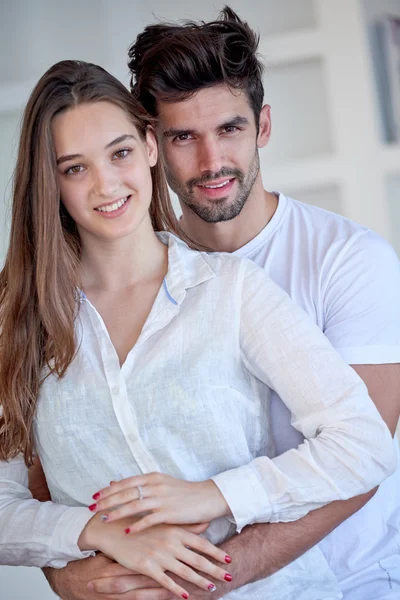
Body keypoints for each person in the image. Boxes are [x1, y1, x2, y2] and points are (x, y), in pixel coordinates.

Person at [36, 6, 400, 600]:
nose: (210, 163)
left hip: (356, 575)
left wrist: (209, 576)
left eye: (230, 129)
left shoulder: (350, 261)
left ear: (263, 127)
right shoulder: (136, 273)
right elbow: (51, 479)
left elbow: (360, 462)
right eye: (184, 136)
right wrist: (74, 575)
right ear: (153, 143)